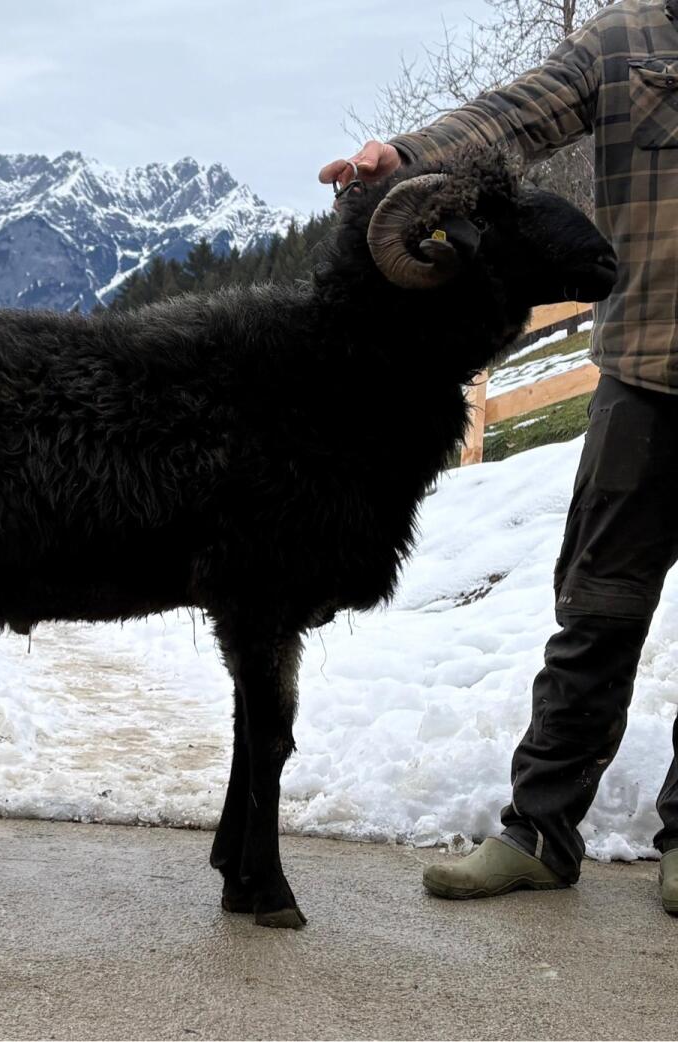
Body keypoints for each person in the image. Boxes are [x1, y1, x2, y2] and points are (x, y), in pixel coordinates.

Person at [319, 0, 678, 915]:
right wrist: (406, 157)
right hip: (644, 375)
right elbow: (512, 115)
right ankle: (538, 836)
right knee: (596, 613)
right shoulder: (626, 39)